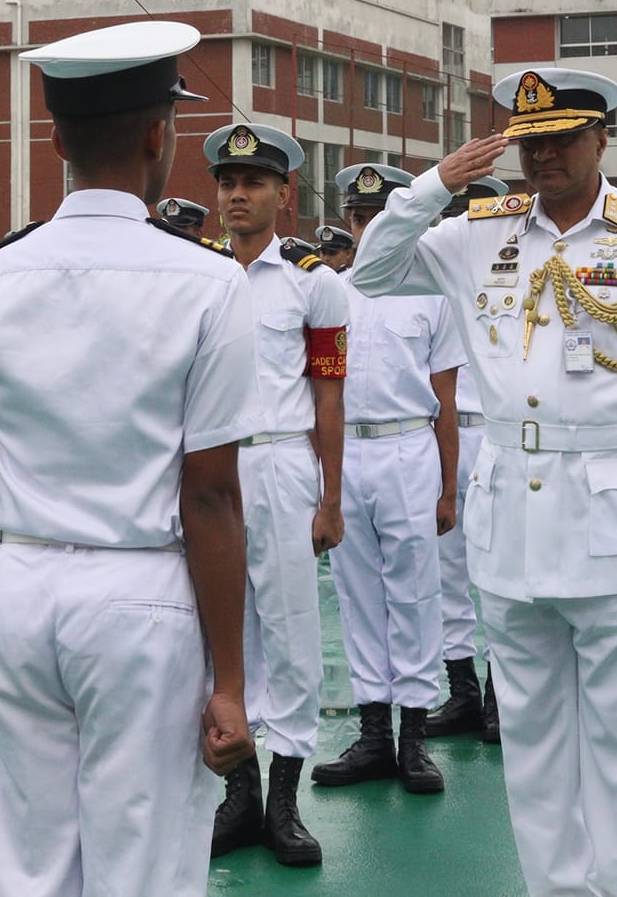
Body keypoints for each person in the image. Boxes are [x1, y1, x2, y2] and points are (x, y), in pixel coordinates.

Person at [349, 66, 617, 897]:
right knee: (534, 730)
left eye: (559, 140)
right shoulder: (478, 231)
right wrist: (432, 186)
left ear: (602, 139)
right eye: (527, 144)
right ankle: (556, 888)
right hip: (510, 517)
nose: (541, 158)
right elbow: (368, 273)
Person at [0, 21, 259, 896]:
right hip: (140, 597)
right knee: (146, 867)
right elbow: (210, 494)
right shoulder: (207, 282)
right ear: (160, 135)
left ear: (56, 140)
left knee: (27, 867)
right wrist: (230, 681)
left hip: (18, 587)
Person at [203, 123, 344, 866]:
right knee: (227, 634)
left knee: (289, 630)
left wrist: (332, 496)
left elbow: (328, 397)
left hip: (285, 463)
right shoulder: (197, 273)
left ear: (284, 193)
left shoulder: (312, 280)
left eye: (253, 182)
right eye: (227, 183)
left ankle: (285, 799)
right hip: (214, 475)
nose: (237, 194)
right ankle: (241, 795)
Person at [314, 162, 464, 797]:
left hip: (409, 448)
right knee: (356, 594)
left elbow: (446, 400)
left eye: (381, 217)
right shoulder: (327, 293)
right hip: (347, 451)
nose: (369, 227)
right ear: (349, 224)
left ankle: (413, 738)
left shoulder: (433, 295)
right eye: (359, 217)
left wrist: (449, 487)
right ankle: (373, 731)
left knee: (415, 593)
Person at [425, 176, 509, 746]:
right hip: (448, 432)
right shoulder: (431, 279)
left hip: (502, 439)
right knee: (449, 572)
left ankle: (503, 693)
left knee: (503, 575)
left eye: (478, 212)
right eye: (459, 212)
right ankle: (462, 692)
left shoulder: (525, 274)